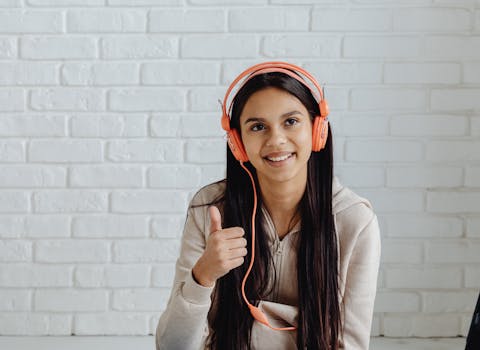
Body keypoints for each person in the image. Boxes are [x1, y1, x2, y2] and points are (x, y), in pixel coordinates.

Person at [156, 62, 381, 349]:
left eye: (291, 121)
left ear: (317, 130)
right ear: (238, 142)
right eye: (258, 126)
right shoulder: (209, 210)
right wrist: (203, 276)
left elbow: (350, 345)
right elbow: (172, 345)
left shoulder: (355, 221)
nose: (275, 139)